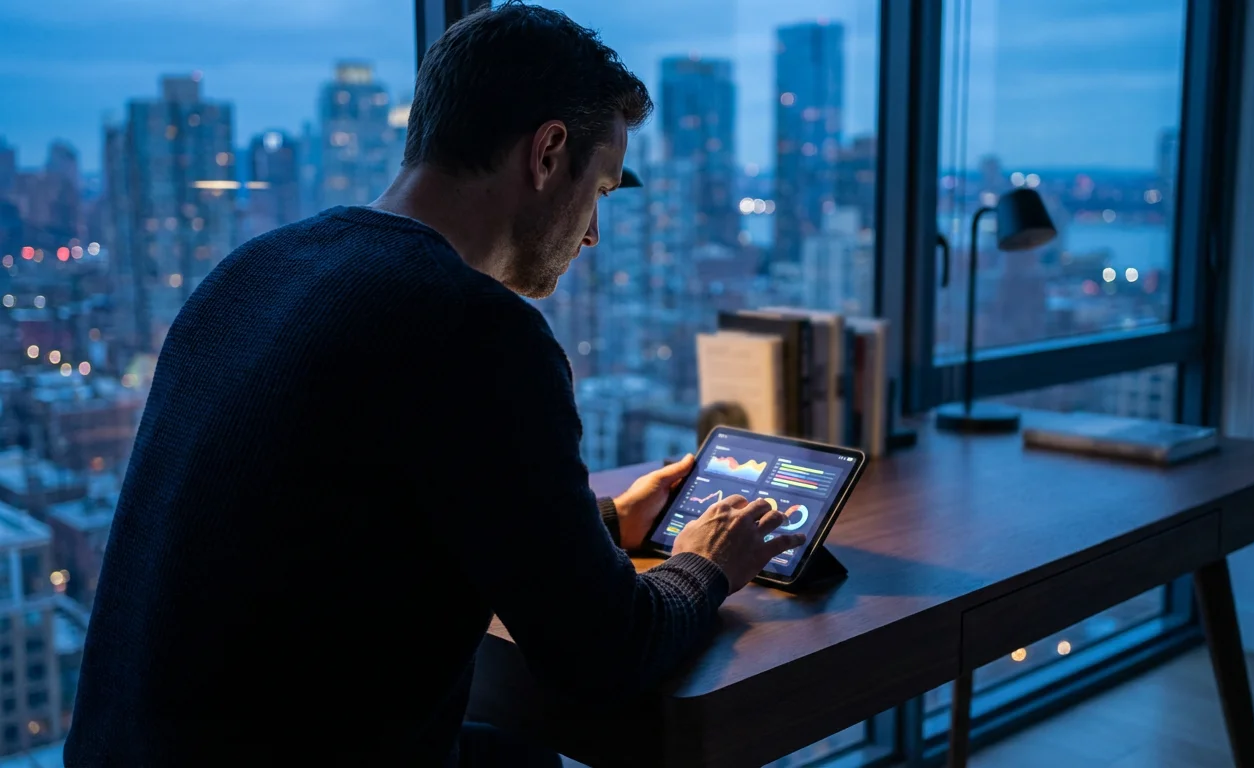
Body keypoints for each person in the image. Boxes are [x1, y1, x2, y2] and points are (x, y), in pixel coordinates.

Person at [64, 3, 803, 766]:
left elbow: (369, 524)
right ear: (548, 153)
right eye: (602, 192)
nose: (590, 234)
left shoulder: (257, 269)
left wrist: (607, 522)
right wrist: (708, 563)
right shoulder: (474, 329)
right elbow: (605, 657)